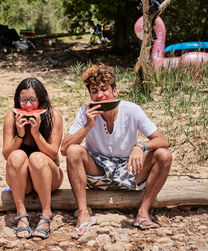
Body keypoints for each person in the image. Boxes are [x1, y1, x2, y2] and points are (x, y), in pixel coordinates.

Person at [61, 64, 172, 239]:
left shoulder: (132, 110)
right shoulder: (85, 112)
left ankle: (143, 213)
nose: (100, 95)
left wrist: (140, 146)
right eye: (94, 91)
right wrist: (88, 125)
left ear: (115, 90)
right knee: (74, 151)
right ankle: (83, 213)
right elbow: (65, 149)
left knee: (164, 155)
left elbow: (163, 140)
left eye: (104, 89)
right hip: (97, 171)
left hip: (129, 170)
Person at [2, 78, 63, 239]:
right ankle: (21, 213)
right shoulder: (11, 117)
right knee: (16, 155)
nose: (28, 106)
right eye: (24, 100)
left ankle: (46, 212)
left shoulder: (53, 115)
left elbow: (53, 154)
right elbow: (6, 155)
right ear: (18, 100)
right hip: (23, 182)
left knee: (37, 157)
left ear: (41, 99)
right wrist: (20, 135)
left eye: (33, 100)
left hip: (50, 178)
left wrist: (36, 134)